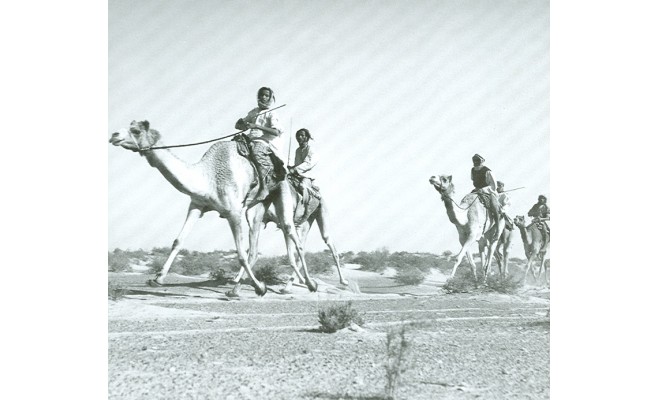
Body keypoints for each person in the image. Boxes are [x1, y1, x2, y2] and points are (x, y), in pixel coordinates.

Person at [235, 87, 285, 202]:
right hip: (251, 139)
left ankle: (264, 187)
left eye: (266, 95)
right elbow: (239, 126)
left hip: (265, 141)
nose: (263, 97)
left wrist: (257, 126)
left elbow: (276, 132)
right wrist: (241, 123)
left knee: (257, 152)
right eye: (262, 95)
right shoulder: (254, 112)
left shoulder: (272, 113)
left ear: (270, 98)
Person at [289, 128, 318, 222]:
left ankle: (307, 209)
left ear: (307, 137)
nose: (299, 137)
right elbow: (297, 164)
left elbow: (308, 164)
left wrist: (295, 169)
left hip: (307, 176)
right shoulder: (297, 150)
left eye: (302, 135)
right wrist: (291, 167)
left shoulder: (311, 150)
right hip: (297, 175)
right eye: (298, 135)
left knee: (302, 186)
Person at [470, 153, 502, 238]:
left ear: (481, 161)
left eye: (477, 160)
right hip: (477, 191)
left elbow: (493, 186)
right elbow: (473, 180)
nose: (475, 162)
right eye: (474, 160)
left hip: (489, 192)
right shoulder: (472, 170)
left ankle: (498, 230)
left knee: (494, 206)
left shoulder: (488, 171)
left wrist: (483, 190)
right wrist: (477, 189)